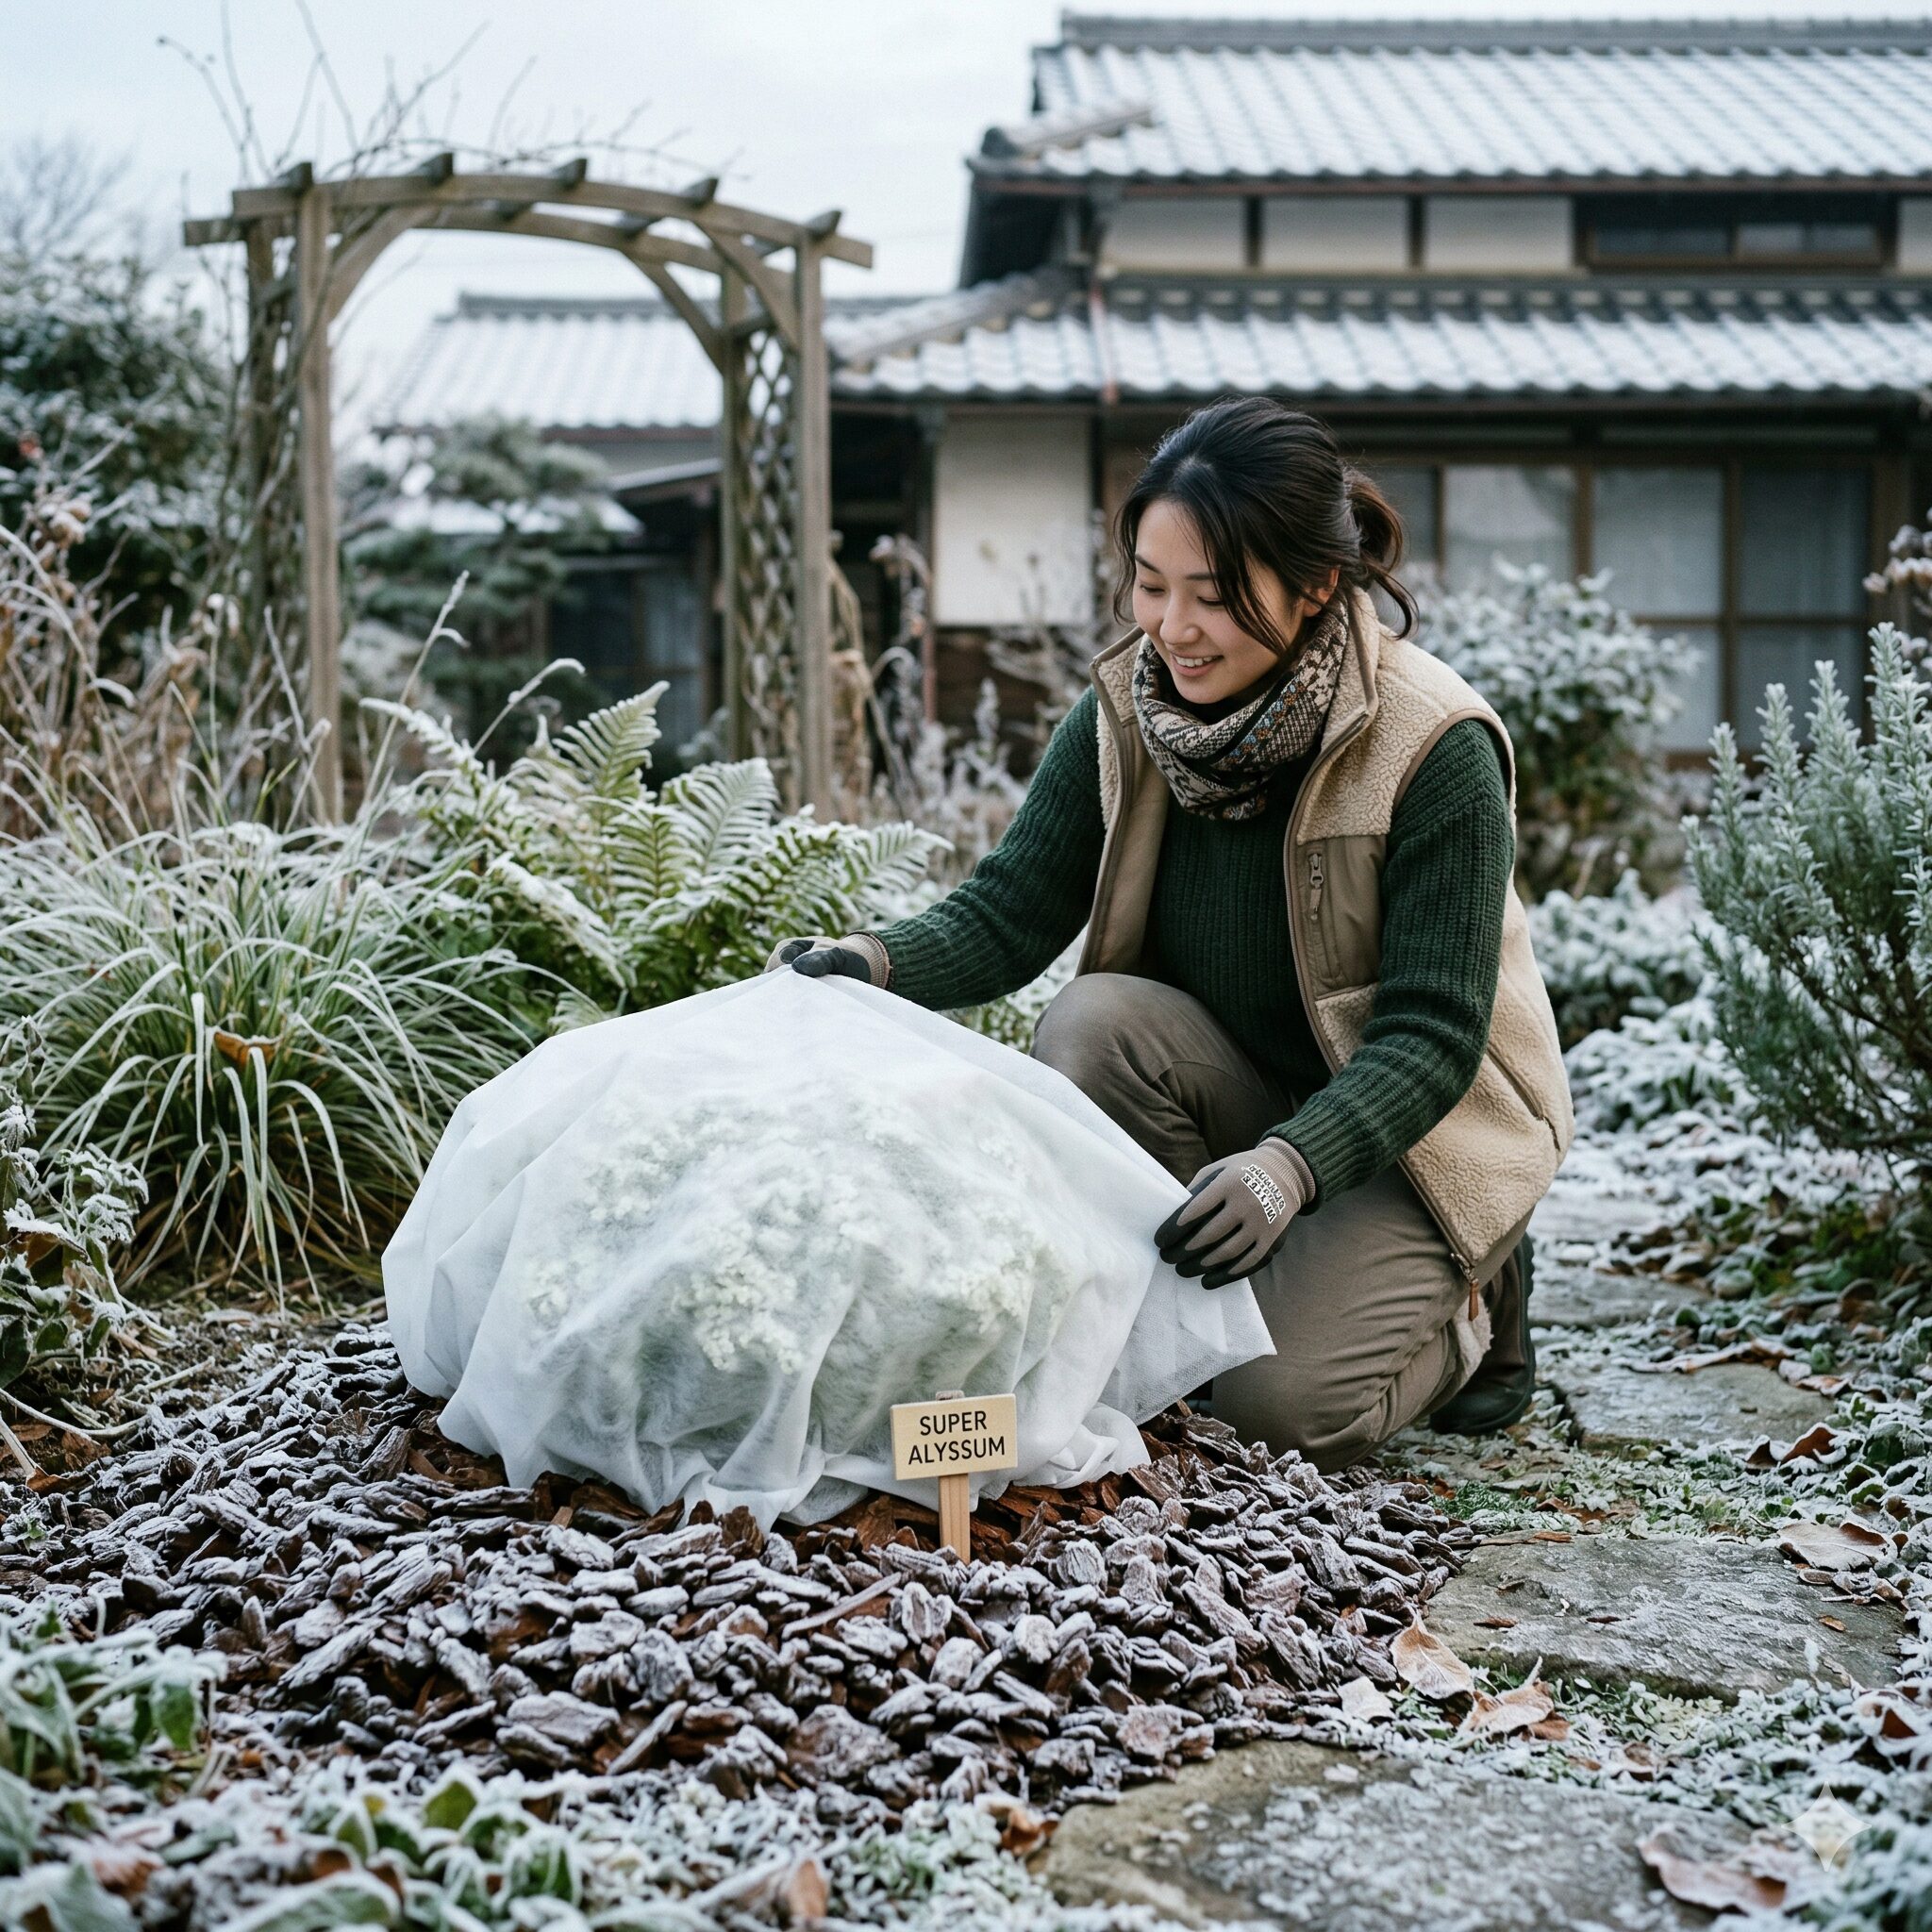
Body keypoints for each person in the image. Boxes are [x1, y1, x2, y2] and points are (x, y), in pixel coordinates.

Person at [766, 396, 1574, 1472]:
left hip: (1414, 1132)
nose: (1171, 626)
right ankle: (1250, 1284)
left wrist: (1290, 1169)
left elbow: (1431, 1034)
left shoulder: (1432, 744)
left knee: (1271, 1409)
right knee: (1093, 1021)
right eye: (1150, 585)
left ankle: (1473, 1302)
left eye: (1214, 596)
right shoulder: (1128, 711)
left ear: (1316, 585)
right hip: (1242, 1094)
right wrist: (865, 963)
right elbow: (1010, 909)